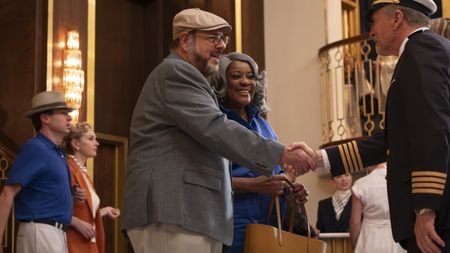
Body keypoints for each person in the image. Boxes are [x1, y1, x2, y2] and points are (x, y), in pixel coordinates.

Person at [121, 8, 316, 253]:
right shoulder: (176, 72)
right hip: (174, 212)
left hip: (194, 216)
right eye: (213, 38)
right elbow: (216, 128)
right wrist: (281, 153)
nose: (222, 45)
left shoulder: (190, 78)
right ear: (184, 40)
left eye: (224, 38)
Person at [289, 0, 450, 252]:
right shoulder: (422, 52)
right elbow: (390, 141)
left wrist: (426, 207)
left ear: (397, 18)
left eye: (374, 22)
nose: (371, 31)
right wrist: (318, 158)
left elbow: (432, 131)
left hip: (438, 217)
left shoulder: (422, 51)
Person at [209, 52, 309, 253]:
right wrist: (254, 185)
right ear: (222, 82)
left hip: (270, 226)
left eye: (251, 76)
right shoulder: (214, 124)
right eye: (236, 76)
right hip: (231, 224)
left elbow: (278, 174)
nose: (245, 82)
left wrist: (289, 189)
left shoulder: (264, 125)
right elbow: (209, 178)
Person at [0, 91, 74, 253]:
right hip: (41, 231)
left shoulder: (57, 153)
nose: (69, 118)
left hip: (56, 232)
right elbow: (7, 193)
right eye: (63, 113)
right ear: (45, 118)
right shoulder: (35, 149)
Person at [64, 122, 120, 253]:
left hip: (89, 242)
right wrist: (75, 222)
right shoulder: (68, 168)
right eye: (90, 139)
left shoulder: (83, 173)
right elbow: (58, 207)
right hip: (75, 241)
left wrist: (103, 211)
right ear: (75, 144)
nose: (97, 143)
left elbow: (84, 213)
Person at [350, 163, 405, 253]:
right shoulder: (401, 180)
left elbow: (355, 222)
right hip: (397, 239)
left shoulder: (361, 183)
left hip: (369, 239)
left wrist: (355, 246)